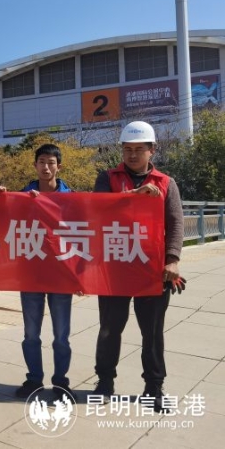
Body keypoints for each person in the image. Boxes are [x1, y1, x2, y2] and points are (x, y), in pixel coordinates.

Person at [92, 121, 184, 413]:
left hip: (152, 271)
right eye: (127, 149)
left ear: (152, 150)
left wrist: (172, 259)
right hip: (114, 270)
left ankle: (154, 387)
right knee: (110, 329)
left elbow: (176, 223)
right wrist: (134, 196)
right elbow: (96, 208)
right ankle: (105, 382)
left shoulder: (166, 183)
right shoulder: (107, 178)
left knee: (152, 333)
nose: (132, 155)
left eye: (139, 149)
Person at [11, 144, 77, 402]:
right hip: (31, 274)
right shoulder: (23, 196)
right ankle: (34, 379)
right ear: (35, 165)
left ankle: (61, 382)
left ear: (59, 166)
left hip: (61, 275)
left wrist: (79, 276)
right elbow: (3, 219)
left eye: (51, 162)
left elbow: (83, 234)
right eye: (41, 162)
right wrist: (3, 196)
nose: (46, 167)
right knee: (31, 334)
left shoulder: (72, 198)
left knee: (61, 336)